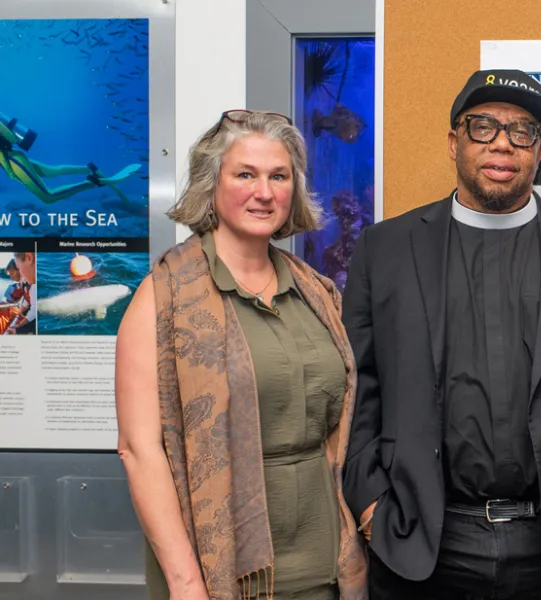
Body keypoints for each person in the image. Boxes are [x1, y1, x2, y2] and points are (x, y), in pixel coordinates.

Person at [341, 68, 541, 599]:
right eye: (483, 126)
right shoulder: (385, 250)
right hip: (418, 539)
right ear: (454, 140)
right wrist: (371, 505)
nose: (502, 143)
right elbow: (359, 383)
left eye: (522, 131)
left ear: (540, 150)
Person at [114, 109, 368, 600]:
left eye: (279, 176)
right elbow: (139, 451)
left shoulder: (317, 293)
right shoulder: (163, 297)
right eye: (245, 175)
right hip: (219, 571)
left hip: (327, 564)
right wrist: (186, 584)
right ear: (212, 185)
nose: (265, 192)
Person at [0, 111, 141, 204]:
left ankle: (92, 182)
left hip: (13, 161)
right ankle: (88, 168)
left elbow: (4, 148)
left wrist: (11, 173)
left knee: (47, 197)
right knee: (51, 171)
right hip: (15, 157)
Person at [1, 255, 34, 334]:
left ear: (19, 270)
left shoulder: (31, 284)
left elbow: (32, 310)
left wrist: (19, 326)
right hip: (21, 310)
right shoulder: (22, 283)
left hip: (27, 315)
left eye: (12, 273)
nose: (12, 277)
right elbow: (26, 301)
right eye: (10, 275)